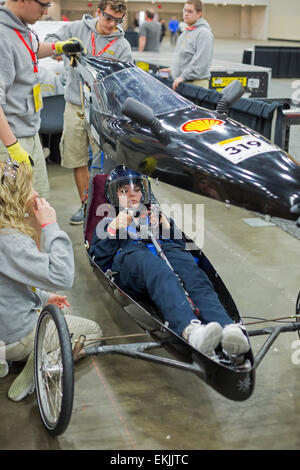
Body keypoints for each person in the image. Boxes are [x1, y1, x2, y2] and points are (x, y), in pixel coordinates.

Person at [90, 166, 250, 357]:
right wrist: (113, 230)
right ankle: (192, 332)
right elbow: (98, 260)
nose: (132, 196)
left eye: (137, 190)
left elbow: (183, 245)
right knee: (155, 268)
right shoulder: (107, 223)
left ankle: (228, 327)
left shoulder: (156, 216)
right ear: (114, 196)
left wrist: (167, 227)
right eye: (124, 191)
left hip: (166, 254)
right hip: (132, 263)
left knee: (192, 270)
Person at [0, 156, 102, 401]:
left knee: (58, 313)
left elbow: (8, 287)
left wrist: (44, 297)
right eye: (30, 188)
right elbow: (62, 274)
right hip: (15, 335)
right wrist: (49, 226)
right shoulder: (11, 241)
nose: (35, 193)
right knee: (92, 331)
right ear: (17, 197)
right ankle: (39, 366)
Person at [44, 0, 133, 225]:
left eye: (118, 20)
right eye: (108, 18)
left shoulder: (122, 45)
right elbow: (49, 41)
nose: (112, 24)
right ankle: (86, 206)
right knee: (77, 158)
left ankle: (102, 208)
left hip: (104, 111)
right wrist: (63, 47)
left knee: (104, 161)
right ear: (98, 12)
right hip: (75, 105)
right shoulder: (76, 29)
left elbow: (127, 80)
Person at [0, 0, 87, 199]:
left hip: (29, 131)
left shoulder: (22, 28)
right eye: (43, 4)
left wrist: (59, 46)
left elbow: (32, 48)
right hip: (11, 139)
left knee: (39, 203)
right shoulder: (2, 36)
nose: (47, 11)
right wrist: (12, 147)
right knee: (15, 211)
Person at [160, 1, 213, 91]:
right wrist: (173, 70)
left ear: (199, 13)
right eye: (185, 10)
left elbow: (200, 63)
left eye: (190, 11)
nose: (186, 14)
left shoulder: (204, 33)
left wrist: (183, 76)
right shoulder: (184, 33)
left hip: (195, 85)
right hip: (182, 82)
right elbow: (185, 58)